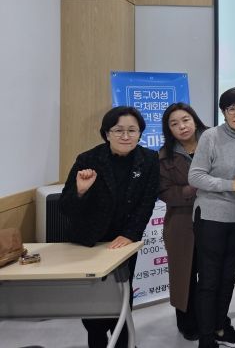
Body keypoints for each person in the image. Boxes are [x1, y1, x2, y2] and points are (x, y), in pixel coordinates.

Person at [60, 106, 159, 348]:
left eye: (132, 130)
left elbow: (146, 203)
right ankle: (97, 340)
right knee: (91, 299)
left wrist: (129, 234)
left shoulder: (149, 159)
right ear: (106, 133)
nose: (125, 136)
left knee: (122, 295)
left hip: (122, 243)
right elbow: (66, 206)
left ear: (140, 133)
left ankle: (124, 342)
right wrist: (80, 191)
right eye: (118, 130)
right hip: (88, 241)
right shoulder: (88, 159)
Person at [188, 87, 235, 348]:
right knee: (209, 279)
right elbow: (195, 176)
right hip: (211, 217)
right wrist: (231, 185)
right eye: (232, 109)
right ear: (224, 112)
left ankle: (219, 327)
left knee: (229, 276)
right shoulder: (210, 136)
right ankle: (206, 338)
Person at [159, 102, 209, 341]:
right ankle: (187, 322)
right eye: (174, 123)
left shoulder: (212, 143)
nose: (182, 126)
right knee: (184, 275)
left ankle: (211, 318)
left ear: (195, 121)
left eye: (186, 120)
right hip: (181, 223)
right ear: (169, 129)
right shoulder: (164, 156)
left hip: (214, 219)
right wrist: (192, 188)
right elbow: (165, 192)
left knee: (211, 275)